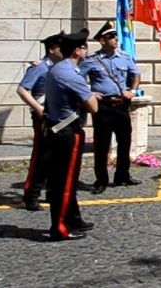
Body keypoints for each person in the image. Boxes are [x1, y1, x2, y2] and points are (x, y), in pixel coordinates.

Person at [44, 29, 98, 241]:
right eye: (85, 47)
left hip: (58, 128)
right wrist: (90, 97)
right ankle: (59, 228)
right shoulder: (69, 74)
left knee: (69, 179)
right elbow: (93, 107)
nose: (87, 50)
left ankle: (73, 218)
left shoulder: (59, 69)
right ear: (77, 51)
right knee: (64, 182)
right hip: (66, 132)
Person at [79, 20, 141, 194]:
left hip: (121, 104)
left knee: (125, 141)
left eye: (115, 36)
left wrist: (133, 90)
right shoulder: (92, 60)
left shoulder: (125, 57)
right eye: (111, 37)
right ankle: (101, 179)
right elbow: (77, 79)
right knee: (102, 144)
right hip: (103, 106)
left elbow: (136, 74)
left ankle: (123, 175)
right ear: (102, 40)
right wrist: (90, 93)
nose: (115, 39)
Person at [16, 31, 64, 211]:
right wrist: (39, 109)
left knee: (56, 156)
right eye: (61, 47)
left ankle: (52, 192)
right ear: (52, 49)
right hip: (43, 116)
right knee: (41, 156)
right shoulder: (40, 67)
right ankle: (31, 195)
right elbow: (22, 89)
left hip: (59, 116)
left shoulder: (62, 67)